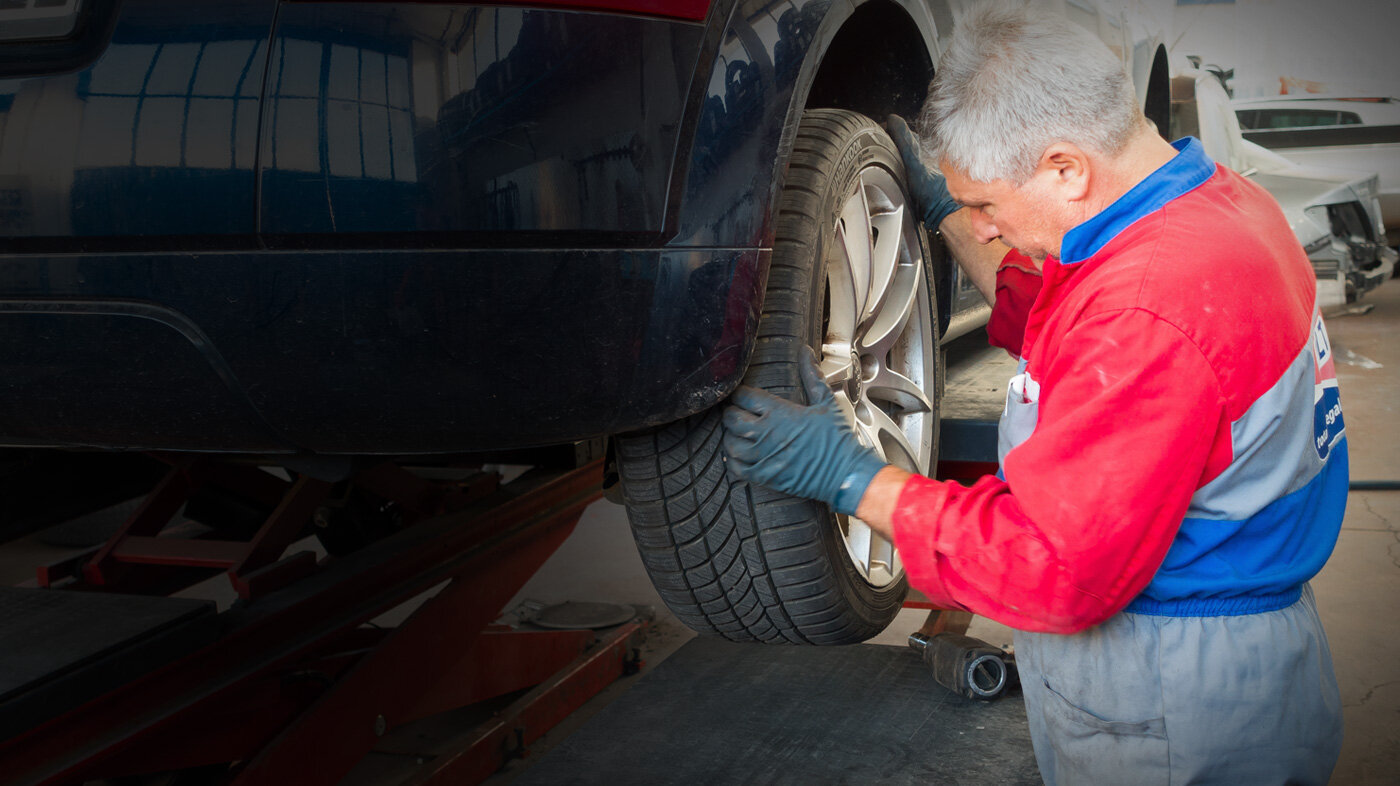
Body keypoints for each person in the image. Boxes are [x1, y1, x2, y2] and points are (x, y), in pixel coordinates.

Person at [720, 4, 1346, 784]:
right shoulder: (1217, 206)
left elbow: (1055, 568)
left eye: (986, 205)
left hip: (1174, 702)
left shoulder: (1148, 312)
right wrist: (950, 211)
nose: (982, 229)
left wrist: (855, 481)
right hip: (1225, 655)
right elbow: (1064, 314)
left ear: (1064, 168)